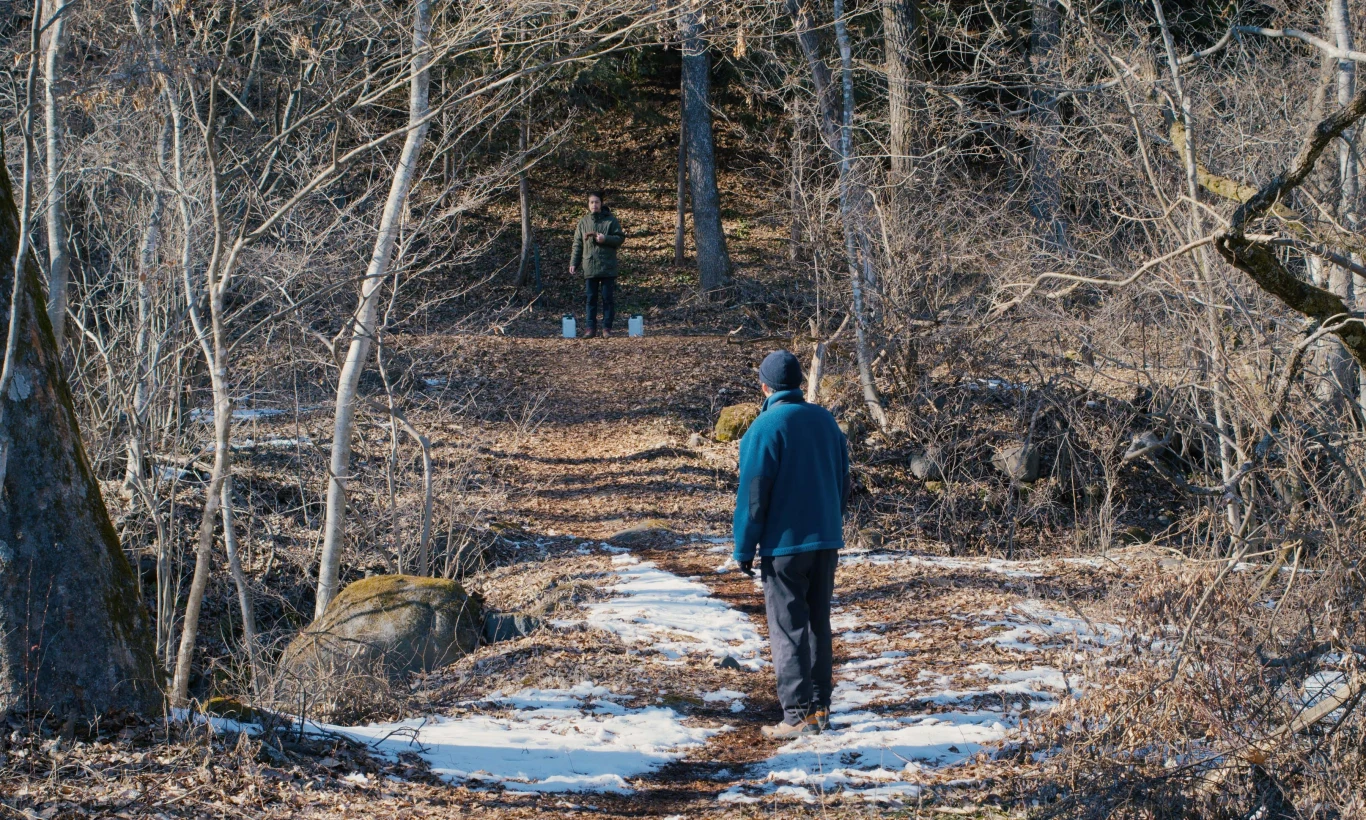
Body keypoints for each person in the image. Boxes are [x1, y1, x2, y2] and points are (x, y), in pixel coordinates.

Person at [732, 350, 851, 739]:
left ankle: (797, 716)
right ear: (798, 383)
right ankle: (820, 710)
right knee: (818, 622)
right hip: (825, 540)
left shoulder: (765, 427)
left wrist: (743, 548)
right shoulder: (826, 421)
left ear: (765, 387)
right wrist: (833, 523)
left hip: (784, 547)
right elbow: (841, 479)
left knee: (788, 628)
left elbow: (754, 494)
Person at [569, 191, 625, 338]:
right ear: (588, 205)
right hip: (590, 266)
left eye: (597, 202)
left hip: (607, 267)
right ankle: (590, 328)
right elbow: (577, 244)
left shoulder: (611, 221)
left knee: (607, 298)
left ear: (601, 204)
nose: (594, 205)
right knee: (590, 299)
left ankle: (607, 328)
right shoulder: (583, 222)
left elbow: (620, 238)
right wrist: (574, 262)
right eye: (592, 202)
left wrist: (605, 238)